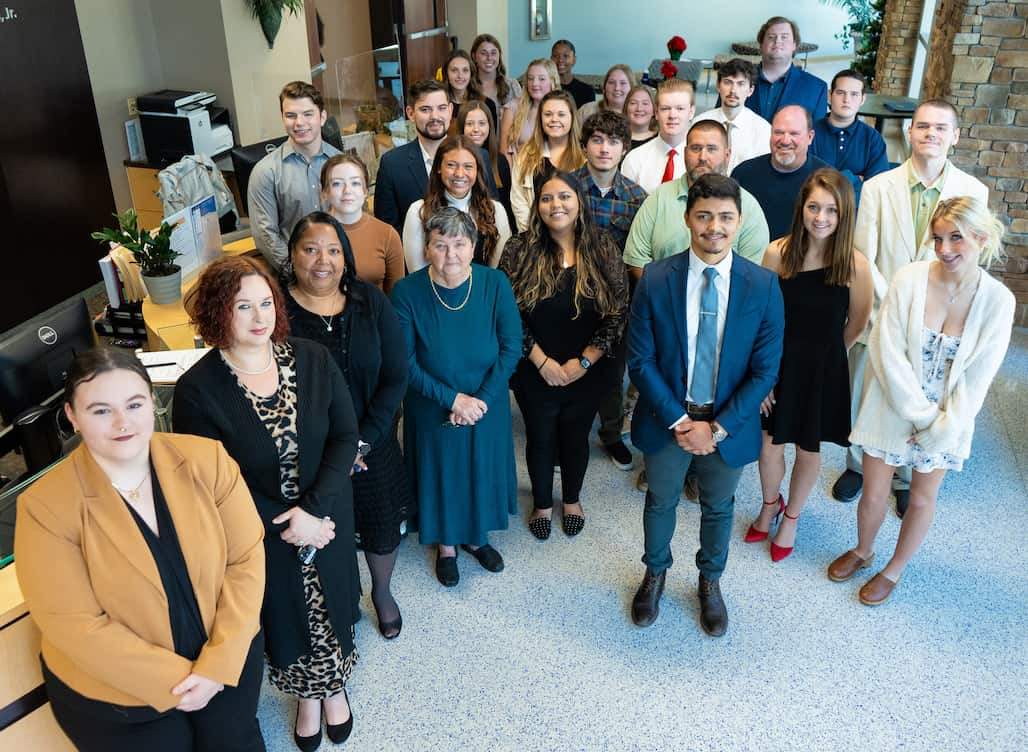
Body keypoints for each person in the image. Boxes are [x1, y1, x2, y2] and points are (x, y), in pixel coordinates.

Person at [14, 348, 266, 752]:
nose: (122, 423)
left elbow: (246, 559)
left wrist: (219, 665)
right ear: (72, 417)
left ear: (152, 401)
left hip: (225, 658)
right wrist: (184, 683)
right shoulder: (44, 506)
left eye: (134, 404)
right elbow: (75, 624)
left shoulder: (207, 459)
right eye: (100, 411)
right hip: (119, 698)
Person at [173, 257, 361, 749]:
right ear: (219, 313)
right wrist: (289, 524)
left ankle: (334, 687)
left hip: (327, 518)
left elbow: (345, 435)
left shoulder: (311, 358)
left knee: (333, 605)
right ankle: (306, 696)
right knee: (286, 615)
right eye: (242, 307)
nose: (259, 317)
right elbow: (212, 481)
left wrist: (314, 511)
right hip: (258, 532)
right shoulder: (198, 390)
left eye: (265, 303)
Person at [828, 197, 1015, 605]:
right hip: (893, 402)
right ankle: (863, 550)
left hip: (948, 417)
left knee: (923, 496)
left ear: (981, 239)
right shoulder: (910, 279)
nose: (945, 249)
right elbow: (886, 349)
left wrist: (941, 426)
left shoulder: (999, 301)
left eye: (956, 239)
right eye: (938, 239)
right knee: (874, 492)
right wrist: (918, 413)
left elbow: (979, 376)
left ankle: (893, 570)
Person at [627, 174, 784, 637]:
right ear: (688, 219)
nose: (714, 227)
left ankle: (710, 581)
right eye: (704, 216)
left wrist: (714, 429)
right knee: (660, 500)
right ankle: (655, 572)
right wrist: (680, 420)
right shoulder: (657, 278)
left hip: (726, 424)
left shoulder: (762, 286)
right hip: (667, 417)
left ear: (739, 222)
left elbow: (764, 372)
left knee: (718, 507)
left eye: (725, 217)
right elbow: (640, 358)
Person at [831, 99, 989, 511]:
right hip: (883, 311)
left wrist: (928, 314)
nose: (930, 134)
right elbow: (863, 255)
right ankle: (857, 464)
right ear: (909, 132)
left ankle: (903, 476)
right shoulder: (879, 186)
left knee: (923, 397)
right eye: (923, 126)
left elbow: (969, 258)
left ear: (954, 136)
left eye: (941, 127)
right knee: (868, 392)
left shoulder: (974, 192)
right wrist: (898, 307)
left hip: (940, 322)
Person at [282, 212, 411, 640]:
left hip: (371, 441)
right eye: (311, 249)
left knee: (380, 524)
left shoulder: (370, 301)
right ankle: (340, 598)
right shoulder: (277, 313)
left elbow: (395, 375)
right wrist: (335, 453)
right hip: (311, 453)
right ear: (293, 254)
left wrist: (364, 442)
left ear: (346, 256)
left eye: (334, 250)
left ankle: (383, 591)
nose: (323, 260)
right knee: (325, 534)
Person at [390, 207, 521, 587]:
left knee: (480, 464)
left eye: (459, 244)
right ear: (426, 248)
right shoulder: (407, 291)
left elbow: (511, 347)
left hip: (487, 402)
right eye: (440, 245)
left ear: (474, 247)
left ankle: (477, 538)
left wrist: (478, 400)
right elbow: (406, 361)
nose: (450, 255)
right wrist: (453, 400)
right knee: (442, 470)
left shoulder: (495, 283)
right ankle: (446, 545)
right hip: (431, 400)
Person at [746, 169, 872, 561]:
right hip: (778, 364)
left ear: (844, 215)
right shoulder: (776, 253)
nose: (820, 217)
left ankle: (792, 518)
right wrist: (763, 377)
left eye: (831, 210)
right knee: (768, 446)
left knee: (808, 449)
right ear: (801, 208)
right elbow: (760, 319)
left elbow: (857, 322)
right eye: (814, 207)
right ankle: (770, 504)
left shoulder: (855, 265)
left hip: (821, 369)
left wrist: (829, 358)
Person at [499, 172, 628, 539]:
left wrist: (583, 361)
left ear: (579, 201)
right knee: (539, 437)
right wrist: (542, 362)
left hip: (587, 368)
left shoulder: (602, 246)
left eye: (564, 196)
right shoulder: (519, 249)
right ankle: (541, 502)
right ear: (537, 206)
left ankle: (571, 499)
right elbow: (507, 313)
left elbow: (618, 310)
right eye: (547, 198)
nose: (556, 205)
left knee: (576, 435)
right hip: (533, 367)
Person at [570, 111, 647, 470]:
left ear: (624, 148)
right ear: (584, 145)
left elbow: (642, 253)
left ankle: (612, 434)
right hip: (569, 295)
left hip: (617, 302)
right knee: (570, 367)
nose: (604, 148)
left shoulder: (636, 198)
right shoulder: (565, 187)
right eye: (597, 140)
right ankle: (568, 435)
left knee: (613, 375)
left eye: (613, 141)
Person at [625, 119, 770, 280]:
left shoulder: (747, 206)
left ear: (727, 155)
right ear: (685, 152)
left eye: (712, 149)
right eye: (696, 148)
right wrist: (663, 295)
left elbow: (753, 270)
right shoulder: (659, 198)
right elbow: (637, 259)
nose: (702, 157)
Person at [375, 79, 503, 234]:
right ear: (410, 113)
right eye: (425, 109)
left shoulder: (478, 156)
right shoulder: (392, 164)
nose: (435, 116)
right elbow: (388, 232)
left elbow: (490, 215)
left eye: (441, 108)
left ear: (450, 110)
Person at [250, 81, 341, 269]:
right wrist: (296, 272)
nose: (299, 123)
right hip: (293, 277)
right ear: (282, 118)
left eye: (308, 114)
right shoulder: (265, 172)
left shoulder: (341, 164)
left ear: (322, 117)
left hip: (341, 271)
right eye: (291, 115)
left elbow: (357, 220)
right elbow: (266, 236)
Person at [402, 134, 511, 270]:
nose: (459, 174)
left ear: (477, 170)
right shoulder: (419, 212)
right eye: (451, 165)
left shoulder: (495, 211)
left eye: (468, 166)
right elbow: (416, 273)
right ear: (438, 168)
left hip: (482, 289)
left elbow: (497, 273)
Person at [732, 105, 831, 241]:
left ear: (810, 137)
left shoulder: (828, 179)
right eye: (778, 132)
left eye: (794, 134)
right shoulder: (743, 174)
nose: (785, 140)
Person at [321, 153, 404, 294]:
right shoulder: (311, 234)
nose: (347, 191)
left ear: (365, 191)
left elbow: (396, 296)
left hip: (376, 314)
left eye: (355, 183)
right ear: (325, 192)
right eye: (337, 184)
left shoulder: (387, 234)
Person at [511, 90, 587, 232]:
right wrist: (533, 236)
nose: (554, 119)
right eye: (548, 114)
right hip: (535, 237)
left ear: (572, 118)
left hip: (576, 237)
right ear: (540, 119)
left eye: (561, 114)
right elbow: (518, 200)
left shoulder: (584, 157)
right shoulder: (526, 155)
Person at [811, 69, 889, 204]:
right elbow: (805, 180)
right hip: (816, 212)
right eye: (840, 93)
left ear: (862, 99)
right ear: (830, 95)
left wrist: (824, 178)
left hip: (856, 215)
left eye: (854, 94)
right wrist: (853, 179)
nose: (847, 100)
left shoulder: (872, 139)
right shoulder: (810, 132)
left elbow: (876, 189)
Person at [693, 58, 771, 173]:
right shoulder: (699, 122)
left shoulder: (763, 130)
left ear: (750, 90)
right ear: (718, 86)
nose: (733, 90)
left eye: (741, 84)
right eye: (727, 82)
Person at [745, 16, 828, 121]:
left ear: (794, 45)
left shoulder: (816, 88)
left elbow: (816, 135)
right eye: (771, 37)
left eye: (784, 37)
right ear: (761, 44)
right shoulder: (737, 79)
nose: (777, 41)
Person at [621, 78, 695, 193]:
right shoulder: (634, 159)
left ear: (691, 112)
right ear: (656, 113)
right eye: (665, 109)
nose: (672, 115)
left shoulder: (702, 162)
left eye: (680, 108)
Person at [458, 99, 514, 225]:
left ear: (490, 126)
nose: (476, 129)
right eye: (470, 124)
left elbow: (506, 206)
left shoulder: (500, 161)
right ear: (462, 127)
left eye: (482, 123)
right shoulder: (454, 161)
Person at [499, 58, 559, 161]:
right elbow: (504, 152)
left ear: (552, 82)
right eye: (530, 78)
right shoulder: (512, 108)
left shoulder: (562, 110)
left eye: (541, 79)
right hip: (517, 173)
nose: (534, 83)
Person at [471, 33, 521, 124]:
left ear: (499, 55)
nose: (489, 58)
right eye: (483, 53)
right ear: (474, 57)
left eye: (493, 53)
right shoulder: (469, 86)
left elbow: (521, 119)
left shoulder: (512, 86)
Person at [551, 39, 596, 109]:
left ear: (574, 60)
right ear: (551, 60)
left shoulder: (587, 91)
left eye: (566, 56)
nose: (560, 60)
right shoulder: (547, 89)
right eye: (555, 56)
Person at [442, 49, 481, 126]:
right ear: (446, 74)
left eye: (465, 70)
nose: (460, 76)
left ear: (471, 73)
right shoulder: (439, 104)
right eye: (454, 70)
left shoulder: (485, 103)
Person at [624, 85, 658, 151]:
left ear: (654, 110)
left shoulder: (661, 139)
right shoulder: (616, 138)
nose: (639, 108)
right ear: (626, 108)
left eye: (645, 103)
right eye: (633, 103)